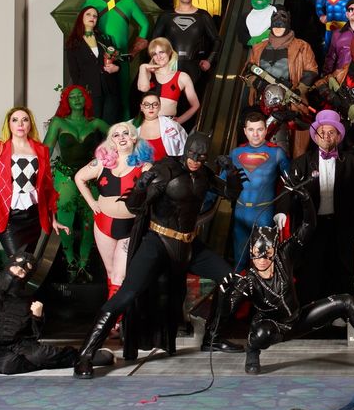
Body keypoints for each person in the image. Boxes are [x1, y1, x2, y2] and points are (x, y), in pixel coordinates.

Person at [73, 132, 243, 377]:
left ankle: (213, 338)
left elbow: (230, 193)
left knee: (230, 280)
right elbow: (134, 206)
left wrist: (233, 173)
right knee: (128, 293)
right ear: (185, 151)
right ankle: (85, 355)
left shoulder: (205, 174)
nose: (195, 160)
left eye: (201, 157)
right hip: (158, 241)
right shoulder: (166, 169)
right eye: (192, 155)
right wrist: (141, 187)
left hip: (188, 243)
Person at [228, 178, 354, 374]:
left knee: (345, 301)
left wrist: (306, 199)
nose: (262, 260)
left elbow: (309, 226)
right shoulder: (249, 280)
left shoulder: (284, 254)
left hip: (298, 319)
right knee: (261, 332)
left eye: (267, 254)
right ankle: (252, 351)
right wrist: (227, 292)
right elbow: (228, 311)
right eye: (256, 255)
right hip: (271, 328)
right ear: (251, 252)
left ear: (275, 251)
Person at [0, 253, 90, 375]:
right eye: (17, 265)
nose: (19, 270)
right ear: (9, 263)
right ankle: (58, 360)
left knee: (41, 354)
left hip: (21, 345)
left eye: (25, 270)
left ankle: (86, 356)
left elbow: (35, 334)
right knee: (9, 364)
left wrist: (38, 316)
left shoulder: (27, 299)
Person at [288, 110, 354, 301]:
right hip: (312, 226)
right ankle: (310, 313)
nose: (326, 136)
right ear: (315, 136)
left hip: (342, 226)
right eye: (322, 132)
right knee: (311, 269)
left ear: (339, 136)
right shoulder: (301, 164)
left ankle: (340, 314)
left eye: (331, 132)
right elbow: (292, 199)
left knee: (341, 269)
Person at [0, 106, 67, 258]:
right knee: (17, 263)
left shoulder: (41, 150)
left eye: (24, 120)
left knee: (26, 265)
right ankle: (2, 282)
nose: (20, 124)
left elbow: (47, 188)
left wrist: (53, 219)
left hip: (33, 216)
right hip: (9, 216)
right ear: (9, 124)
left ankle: (11, 283)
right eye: (15, 120)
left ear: (30, 124)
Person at [73, 122, 153, 302]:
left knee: (120, 276)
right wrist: (91, 202)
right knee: (111, 273)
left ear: (134, 138)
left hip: (130, 226)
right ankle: (114, 314)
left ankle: (113, 320)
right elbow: (79, 177)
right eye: (116, 135)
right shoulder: (102, 163)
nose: (121, 137)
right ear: (111, 141)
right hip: (103, 225)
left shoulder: (145, 167)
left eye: (126, 133)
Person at [43, 86, 109, 281]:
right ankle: (70, 259)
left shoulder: (95, 123)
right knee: (65, 218)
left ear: (86, 99)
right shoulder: (58, 122)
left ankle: (84, 262)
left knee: (91, 218)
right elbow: (45, 152)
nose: (77, 99)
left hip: (89, 176)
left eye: (80, 95)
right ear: (67, 101)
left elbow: (119, 135)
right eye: (72, 97)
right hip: (65, 176)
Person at [82, 0, 151, 121]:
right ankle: (98, 137)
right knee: (97, 97)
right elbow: (82, 22)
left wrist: (136, 46)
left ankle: (126, 132)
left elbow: (145, 24)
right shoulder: (92, 1)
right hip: (97, 57)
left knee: (123, 96)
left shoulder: (129, 3)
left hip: (121, 57)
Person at [246, 9, 319, 156]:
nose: (278, 27)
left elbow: (312, 71)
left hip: (290, 103)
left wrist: (298, 90)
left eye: (282, 24)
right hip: (262, 103)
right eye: (275, 24)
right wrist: (257, 84)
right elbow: (248, 71)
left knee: (287, 147)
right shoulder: (259, 47)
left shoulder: (302, 46)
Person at [230, 110, 290, 272]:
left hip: (264, 213)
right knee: (239, 262)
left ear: (265, 130)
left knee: (265, 262)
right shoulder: (236, 153)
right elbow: (222, 184)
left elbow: (290, 183)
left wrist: (283, 210)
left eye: (259, 129)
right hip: (241, 211)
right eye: (251, 130)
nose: (255, 134)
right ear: (245, 131)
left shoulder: (277, 153)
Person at [151, 0, 221, 100]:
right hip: (170, 65)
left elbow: (216, 40)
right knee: (168, 101)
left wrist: (209, 60)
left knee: (190, 103)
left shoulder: (202, 16)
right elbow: (154, 41)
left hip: (194, 66)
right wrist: (156, 61)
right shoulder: (167, 16)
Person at [65, 5, 122, 125]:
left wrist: (116, 68)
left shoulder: (105, 39)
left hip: (110, 89)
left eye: (95, 16)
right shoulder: (73, 42)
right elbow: (74, 72)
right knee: (93, 127)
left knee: (110, 127)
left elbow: (117, 62)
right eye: (88, 14)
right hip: (89, 91)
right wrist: (81, 93)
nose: (92, 17)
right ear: (81, 17)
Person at [136, 37, 201, 128]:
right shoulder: (148, 73)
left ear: (169, 52)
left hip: (168, 127)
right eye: (154, 54)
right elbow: (143, 88)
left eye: (161, 52)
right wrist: (142, 67)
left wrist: (179, 121)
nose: (158, 57)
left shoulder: (182, 77)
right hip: (147, 124)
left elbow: (196, 105)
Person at [135, 92, 187, 161]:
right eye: (147, 104)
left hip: (165, 169)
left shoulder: (172, 125)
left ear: (159, 107)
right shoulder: (130, 126)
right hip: (139, 168)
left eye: (155, 104)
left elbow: (186, 147)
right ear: (141, 107)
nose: (151, 107)